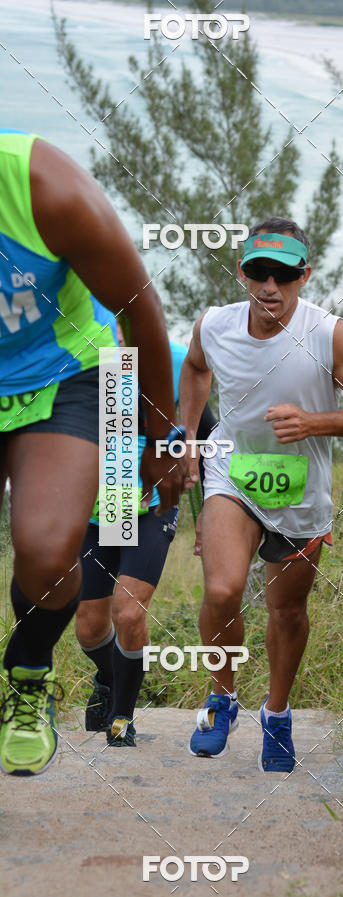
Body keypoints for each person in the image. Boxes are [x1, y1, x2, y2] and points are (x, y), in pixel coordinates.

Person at [180, 216, 343, 772]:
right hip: (233, 472)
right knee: (224, 589)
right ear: (242, 273)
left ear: (304, 275)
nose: (269, 287)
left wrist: (312, 423)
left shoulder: (328, 333)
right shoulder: (215, 326)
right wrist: (188, 437)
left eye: (283, 275)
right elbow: (195, 369)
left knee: (287, 610)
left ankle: (276, 714)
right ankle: (221, 697)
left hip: (302, 491)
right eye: (258, 272)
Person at [0, 130, 186, 776]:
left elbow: (141, 310)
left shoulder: (41, 185)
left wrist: (162, 441)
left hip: (63, 375)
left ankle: (27, 675)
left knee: (49, 554)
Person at [76, 328, 217, 747]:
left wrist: (210, 512)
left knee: (129, 612)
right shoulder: (77, 356)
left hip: (153, 505)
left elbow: (205, 434)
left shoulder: (171, 359)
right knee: (89, 628)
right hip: (100, 509)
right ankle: (108, 677)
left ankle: (122, 716)